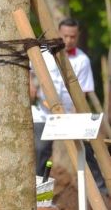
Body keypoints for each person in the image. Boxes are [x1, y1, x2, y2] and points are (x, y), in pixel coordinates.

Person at [31, 18, 106, 194]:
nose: (69, 40)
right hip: (43, 113)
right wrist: (31, 87)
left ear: (77, 36)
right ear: (58, 33)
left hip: (70, 113)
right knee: (41, 151)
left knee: (86, 151)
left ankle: (102, 191)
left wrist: (72, 118)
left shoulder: (82, 60)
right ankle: (40, 195)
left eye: (73, 36)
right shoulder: (42, 54)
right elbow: (29, 73)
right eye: (65, 36)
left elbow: (83, 94)